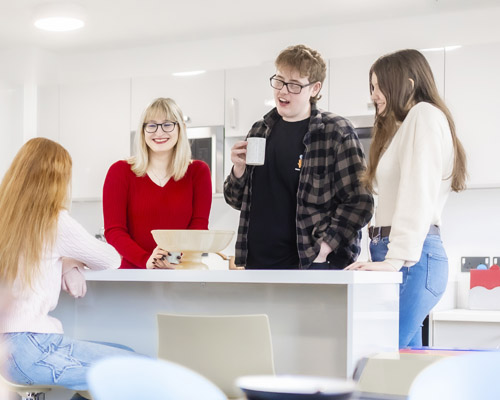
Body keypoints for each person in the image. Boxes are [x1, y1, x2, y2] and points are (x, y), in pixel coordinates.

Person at [346, 49, 467, 348]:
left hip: (412, 258)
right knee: (401, 372)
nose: (374, 95)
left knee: (376, 360)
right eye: (371, 87)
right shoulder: (403, 129)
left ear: (409, 85)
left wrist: (394, 259)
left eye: (379, 86)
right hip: (402, 255)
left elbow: (418, 191)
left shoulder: (423, 115)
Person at [0, 138, 136, 398]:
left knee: (123, 353)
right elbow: (111, 259)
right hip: (33, 347)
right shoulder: (54, 221)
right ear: (57, 181)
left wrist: (63, 262)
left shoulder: (5, 217)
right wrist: (68, 261)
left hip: (7, 352)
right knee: (140, 368)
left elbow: (37, 257)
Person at [224, 44, 373, 270]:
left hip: (311, 265)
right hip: (258, 265)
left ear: (314, 89)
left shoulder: (336, 131)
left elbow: (360, 201)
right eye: (279, 81)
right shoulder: (259, 131)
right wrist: (238, 169)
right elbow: (235, 200)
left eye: (294, 85)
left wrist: (323, 249)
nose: (283, 91)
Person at [103, 97, 212, 269]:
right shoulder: (120, 172)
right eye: (151, 125)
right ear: (143, 131)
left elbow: (198, 226)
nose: (159, 132)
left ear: (181, 129)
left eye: (167, 124)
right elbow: (114, 231)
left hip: (179, 273)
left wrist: (173, 260)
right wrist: (147, 260)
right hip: (133, 277)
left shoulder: (198, 172)